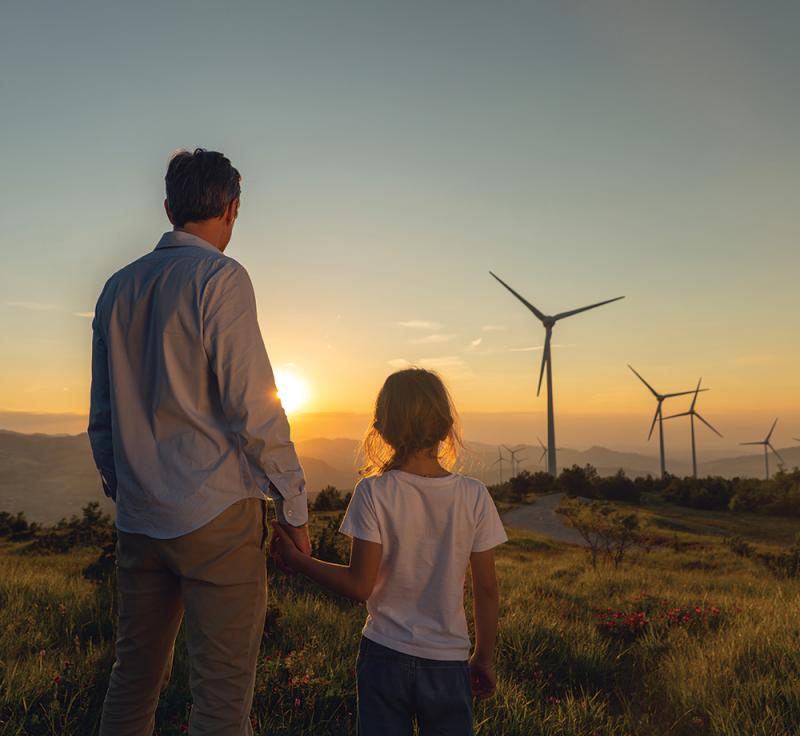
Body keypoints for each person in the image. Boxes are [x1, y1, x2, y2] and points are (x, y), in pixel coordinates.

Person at [88, 148, 310, 736]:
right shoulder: (221, 278)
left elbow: (102, 418)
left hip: (139, 520)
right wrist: (293, 504)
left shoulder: (117, 288)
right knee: (220, 697)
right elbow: (254, 408)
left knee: (132, 681)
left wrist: (126, 486)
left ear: (168, 207)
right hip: (216, 515)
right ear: (233, 209)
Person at [272, 368, 507, 736]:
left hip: (385, 655)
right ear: (447, 427)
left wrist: (300, 561)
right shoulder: (474, 495)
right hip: (448, 662)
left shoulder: (373, 491)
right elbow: (487, 588)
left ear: (381, 429)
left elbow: (359, 585)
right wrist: (483, 658)